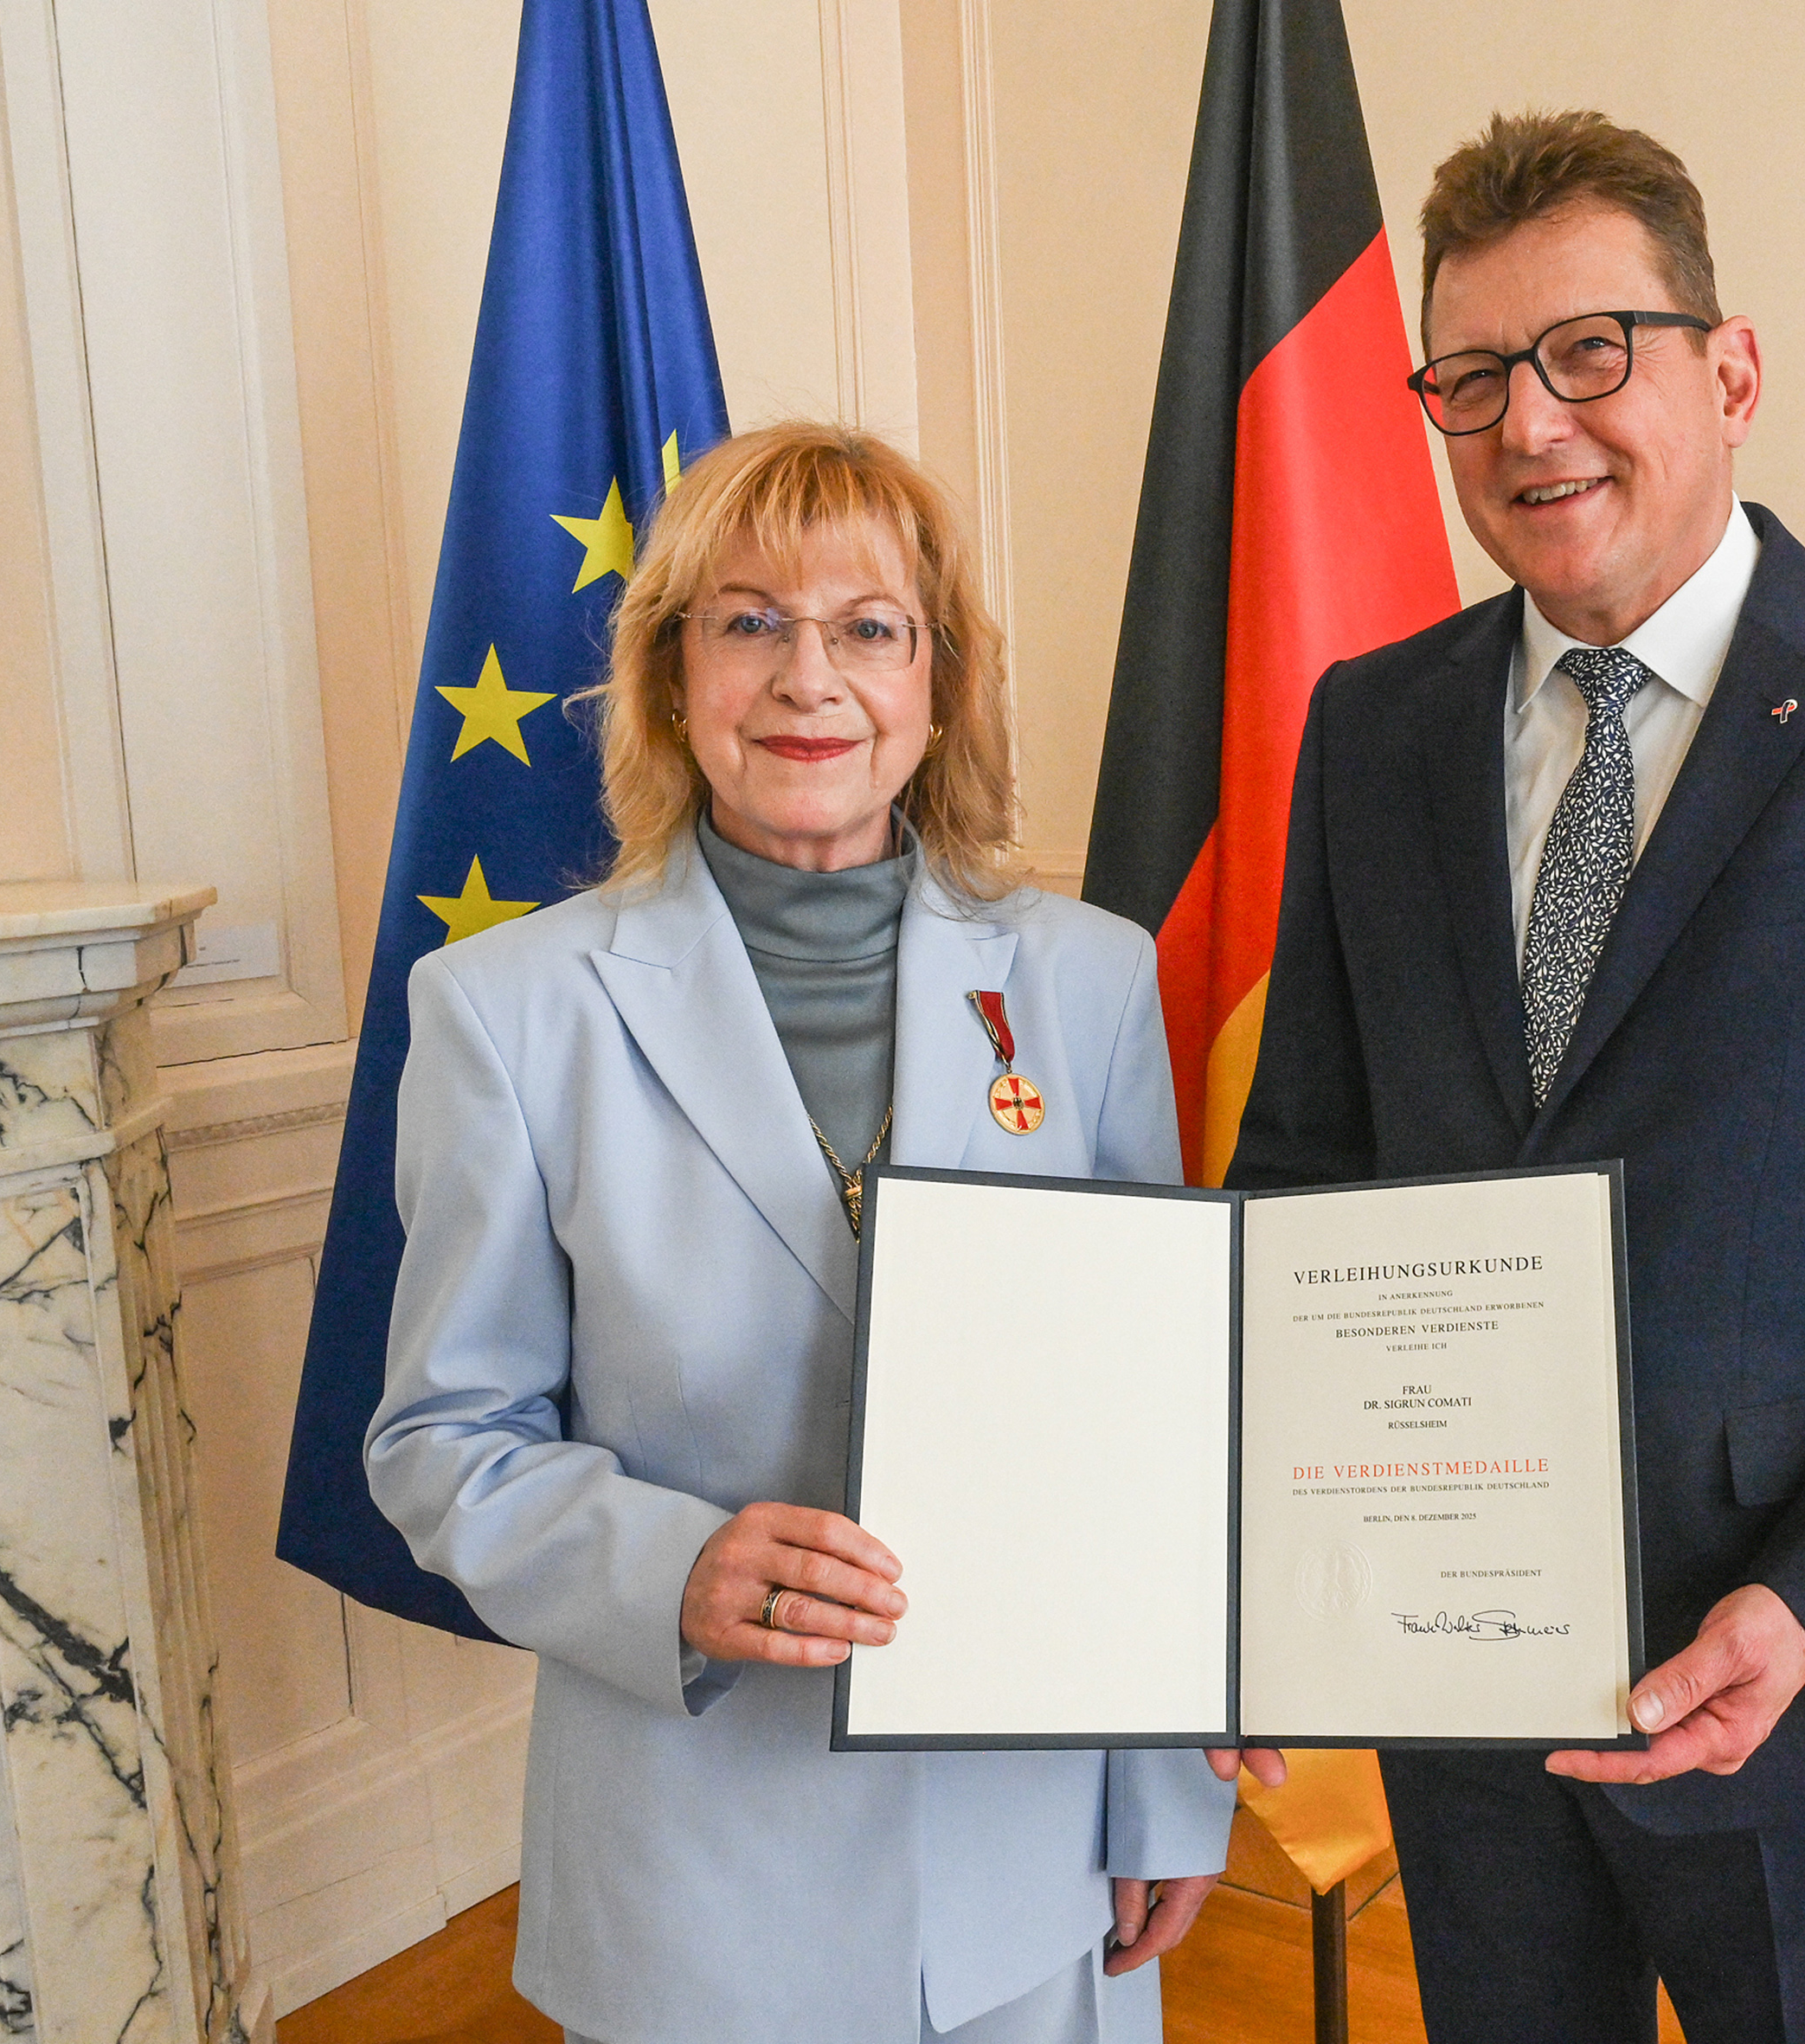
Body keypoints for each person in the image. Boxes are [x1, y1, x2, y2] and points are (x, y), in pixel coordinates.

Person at [1224, 112, 1805, 2041]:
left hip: (1793, 1690)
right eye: (1468, 377)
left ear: (1727, 370)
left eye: (1590, 351)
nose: (1530, 424)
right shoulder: (1369, 726)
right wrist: (1254, 1576)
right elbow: (1300, 1184)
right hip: (1459, 1689)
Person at [366, 421, 1235, 2044]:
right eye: (749, 619)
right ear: (671, 675)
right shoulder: (504, 1010)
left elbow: (1153, 1428)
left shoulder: (1091, 978)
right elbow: (442, 1441)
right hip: (698, 1870)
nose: (806, 676)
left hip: (1023, 1856)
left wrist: (1171, 1795)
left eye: (868, 627)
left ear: (938, 681)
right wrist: (669, 1563)